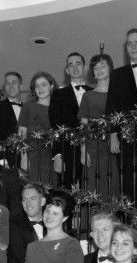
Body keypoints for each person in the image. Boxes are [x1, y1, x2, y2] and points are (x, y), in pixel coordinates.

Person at [106, 29, 137, 208]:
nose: (133, 46)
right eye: (129, 43)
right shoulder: (117, 74)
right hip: (126, 133)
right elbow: (111, 105)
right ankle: (133, 218)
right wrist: (112, 134)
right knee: (129, 175)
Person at [49, 52, 93, 188]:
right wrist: (57, 155)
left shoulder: (94, 92)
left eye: (78, 63)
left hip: (93, 149)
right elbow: (55, 125)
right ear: (67, 70)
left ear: (84, 67)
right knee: (67, 193)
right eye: (70, 65)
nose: (75, 68)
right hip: (68, 150)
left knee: (93, 189)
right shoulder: (58, 94)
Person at [78, 54, 117, 198]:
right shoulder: (88, 96)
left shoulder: (118, 93)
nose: (99, 69)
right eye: (96, 67)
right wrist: (83, 149)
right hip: (93, 147)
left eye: (103, 66)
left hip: (114, 146)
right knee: (93, 186)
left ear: (110, 68)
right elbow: (84, 124)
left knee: (113, 184)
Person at [18, 72, 59, 182]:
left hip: (53, 155)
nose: (40, 88)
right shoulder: (28, 106)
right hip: (33, 155)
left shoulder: (58, 109)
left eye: (43, 84)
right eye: (37, 86)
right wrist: (24, 157)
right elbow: (21, 134)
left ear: (51, 86)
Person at [7, 183, 47, 263]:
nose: (28, 203)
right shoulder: (14, 225)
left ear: (42, 201)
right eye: (24, 199)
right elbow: (22, 257)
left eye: (32, 198)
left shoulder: (52, 224)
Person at [0, 71, 24, 169]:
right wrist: (2, 161)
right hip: (6, 161)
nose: (10, 85)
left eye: (14, 82)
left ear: (21, 87)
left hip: (28, 161)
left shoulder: (28, 108)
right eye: (7, 83)